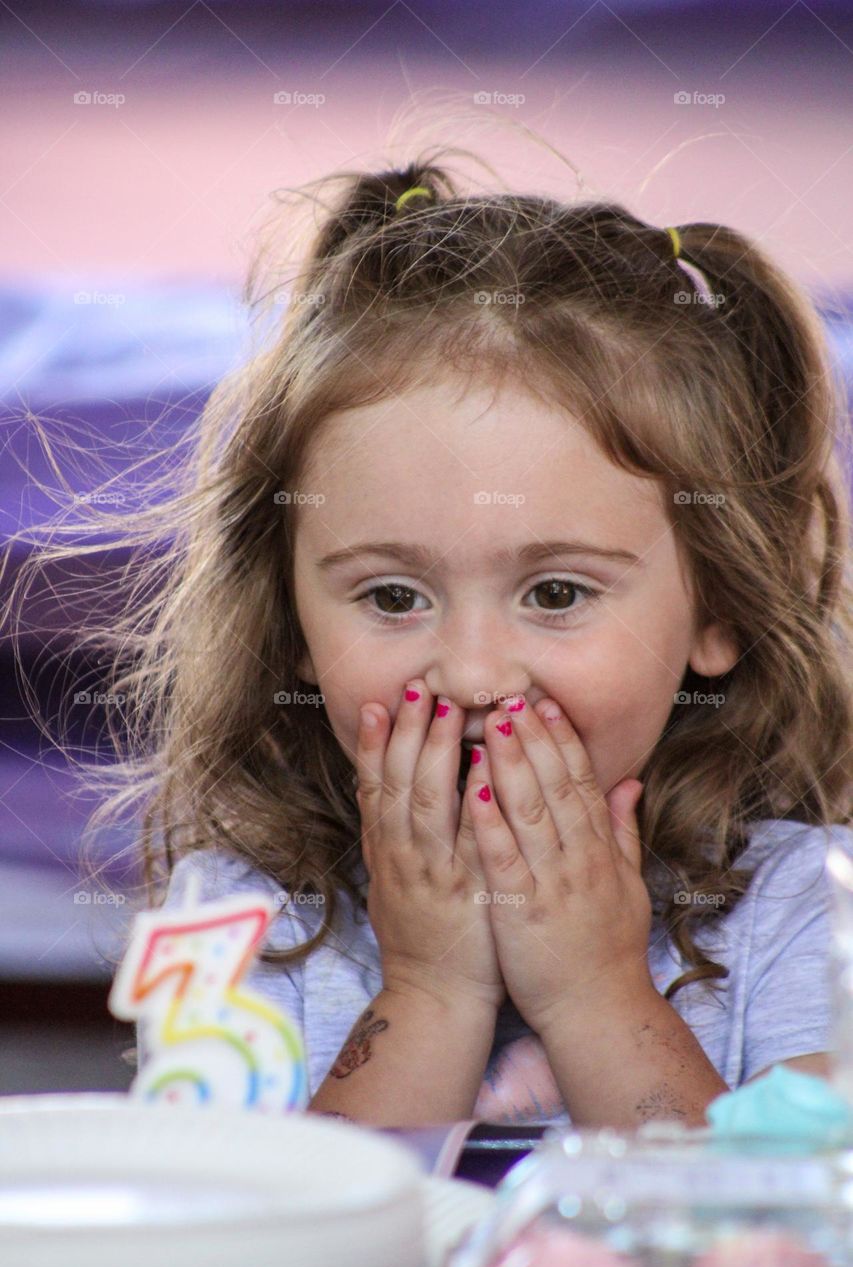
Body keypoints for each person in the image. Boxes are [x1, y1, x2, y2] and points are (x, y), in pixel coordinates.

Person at [11, 149, 853, 1129]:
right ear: (289, 619)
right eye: (394, 595)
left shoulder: (804, 914)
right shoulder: (243, 919)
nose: (470, 672)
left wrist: (594, 992)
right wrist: (428, 990)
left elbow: (768, 1242)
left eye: (554, 590)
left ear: (719, 609)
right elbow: (280, 1243)